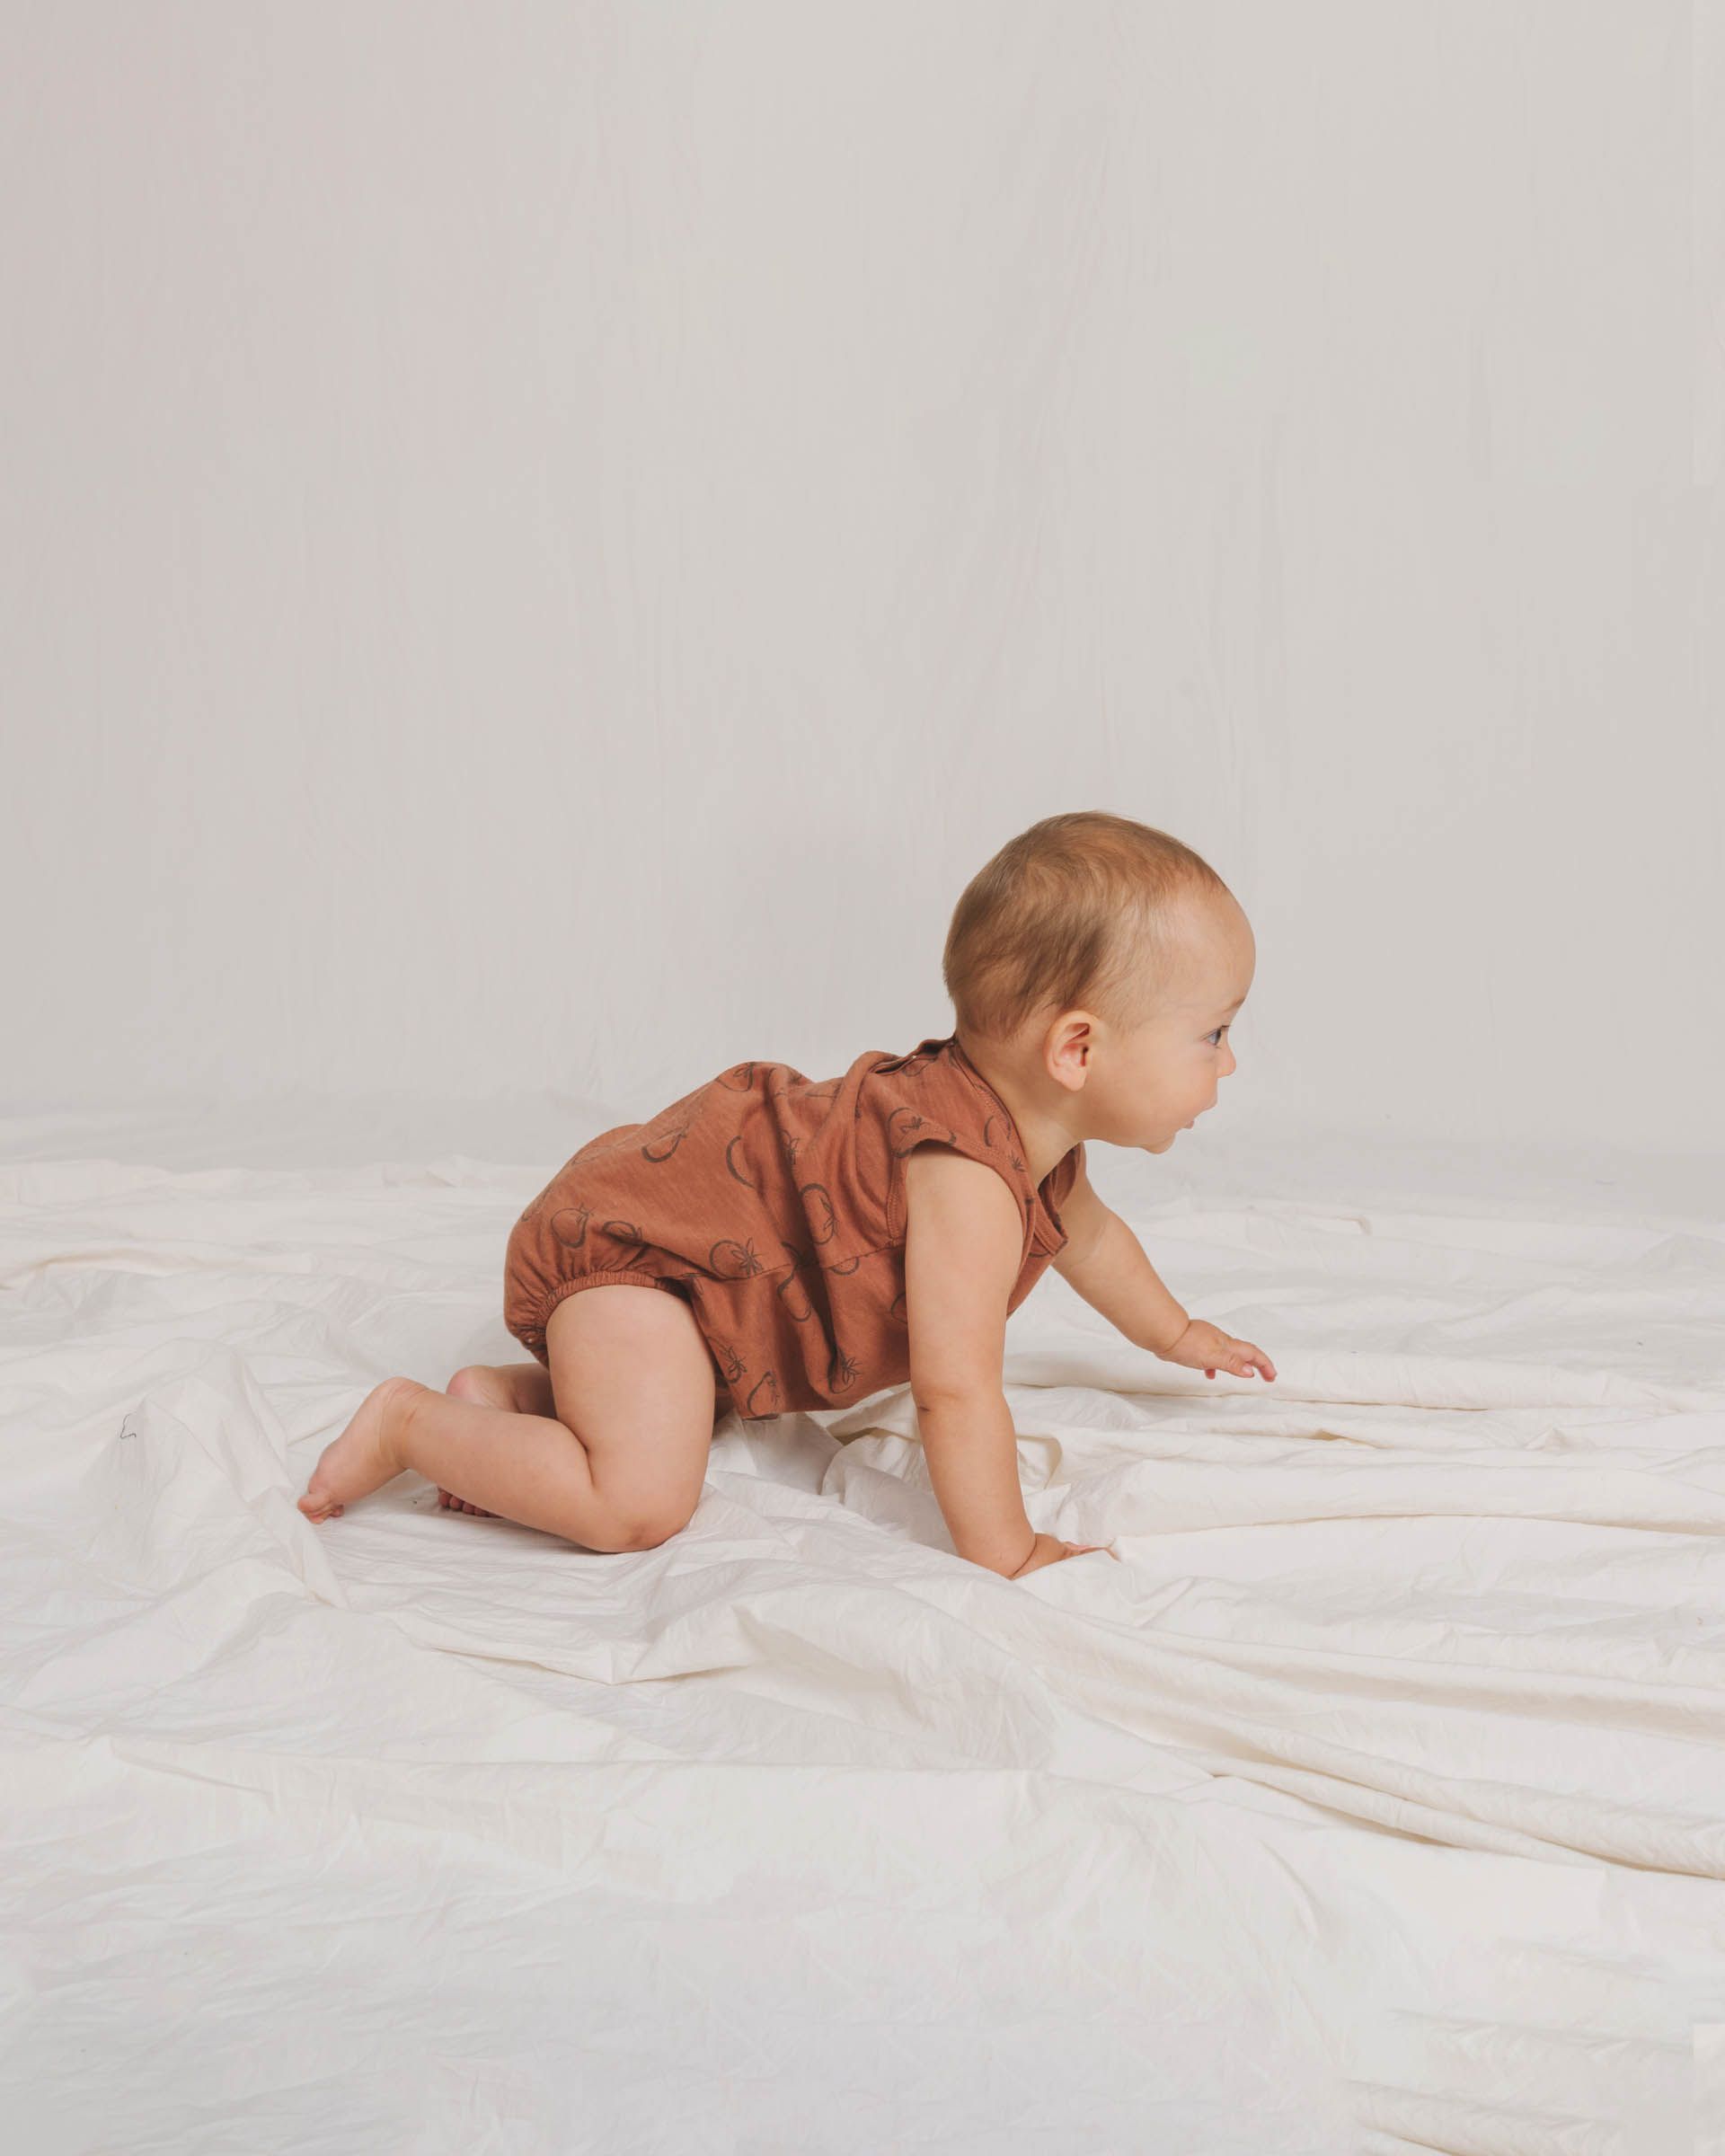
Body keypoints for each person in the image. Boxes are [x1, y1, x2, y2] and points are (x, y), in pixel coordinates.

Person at [296, 810, 1276, 1579]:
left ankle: (515, 1405)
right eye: (1213, 1034)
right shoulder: (967, 1178)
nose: (1229, 1064)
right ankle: (408, 1424)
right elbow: (955, 1390)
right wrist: (1007, 1550)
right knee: (638, 1504)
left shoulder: (1037, 1154)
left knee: (688, 1412)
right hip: (646, 1265)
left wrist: (1178, 1335)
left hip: (701, 1308)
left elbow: (1091, 1241)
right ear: (1077, 1049)